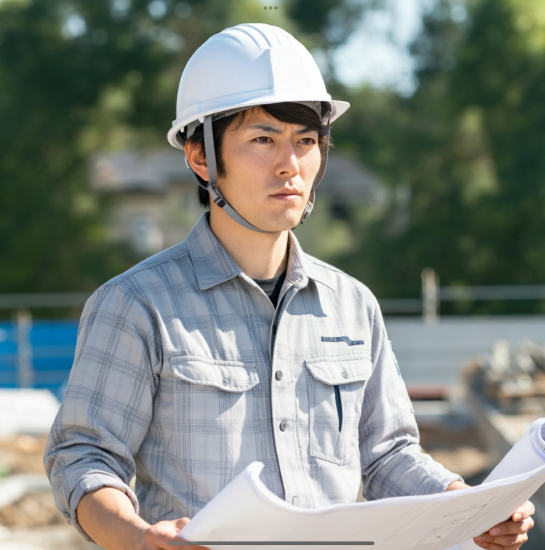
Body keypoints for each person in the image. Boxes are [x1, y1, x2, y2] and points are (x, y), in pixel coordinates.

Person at [44, 23, 535, 550]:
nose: (290, 165)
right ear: (201, 157)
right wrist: (139, 538)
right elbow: (84, 457)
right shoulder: (136, 306)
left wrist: (468, 505)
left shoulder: (353, 306)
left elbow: (386, 455)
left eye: (305, 141)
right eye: (263, 139)